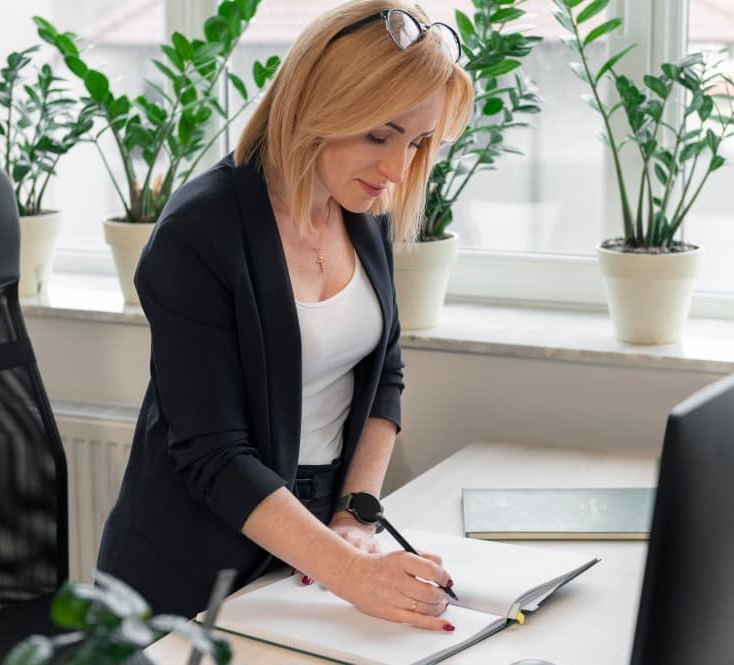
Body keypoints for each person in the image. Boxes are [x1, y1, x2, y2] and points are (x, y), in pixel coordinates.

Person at [96, 0, 473, 632]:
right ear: (315, 104)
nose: (398, 169)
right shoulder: (198, 233)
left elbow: (386, 378)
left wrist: (355, 517)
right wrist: (349, 573)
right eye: (380, 134)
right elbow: (216, 455)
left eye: (417, 142)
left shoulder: (364, 211)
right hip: (193, 572)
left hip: (318, 546)